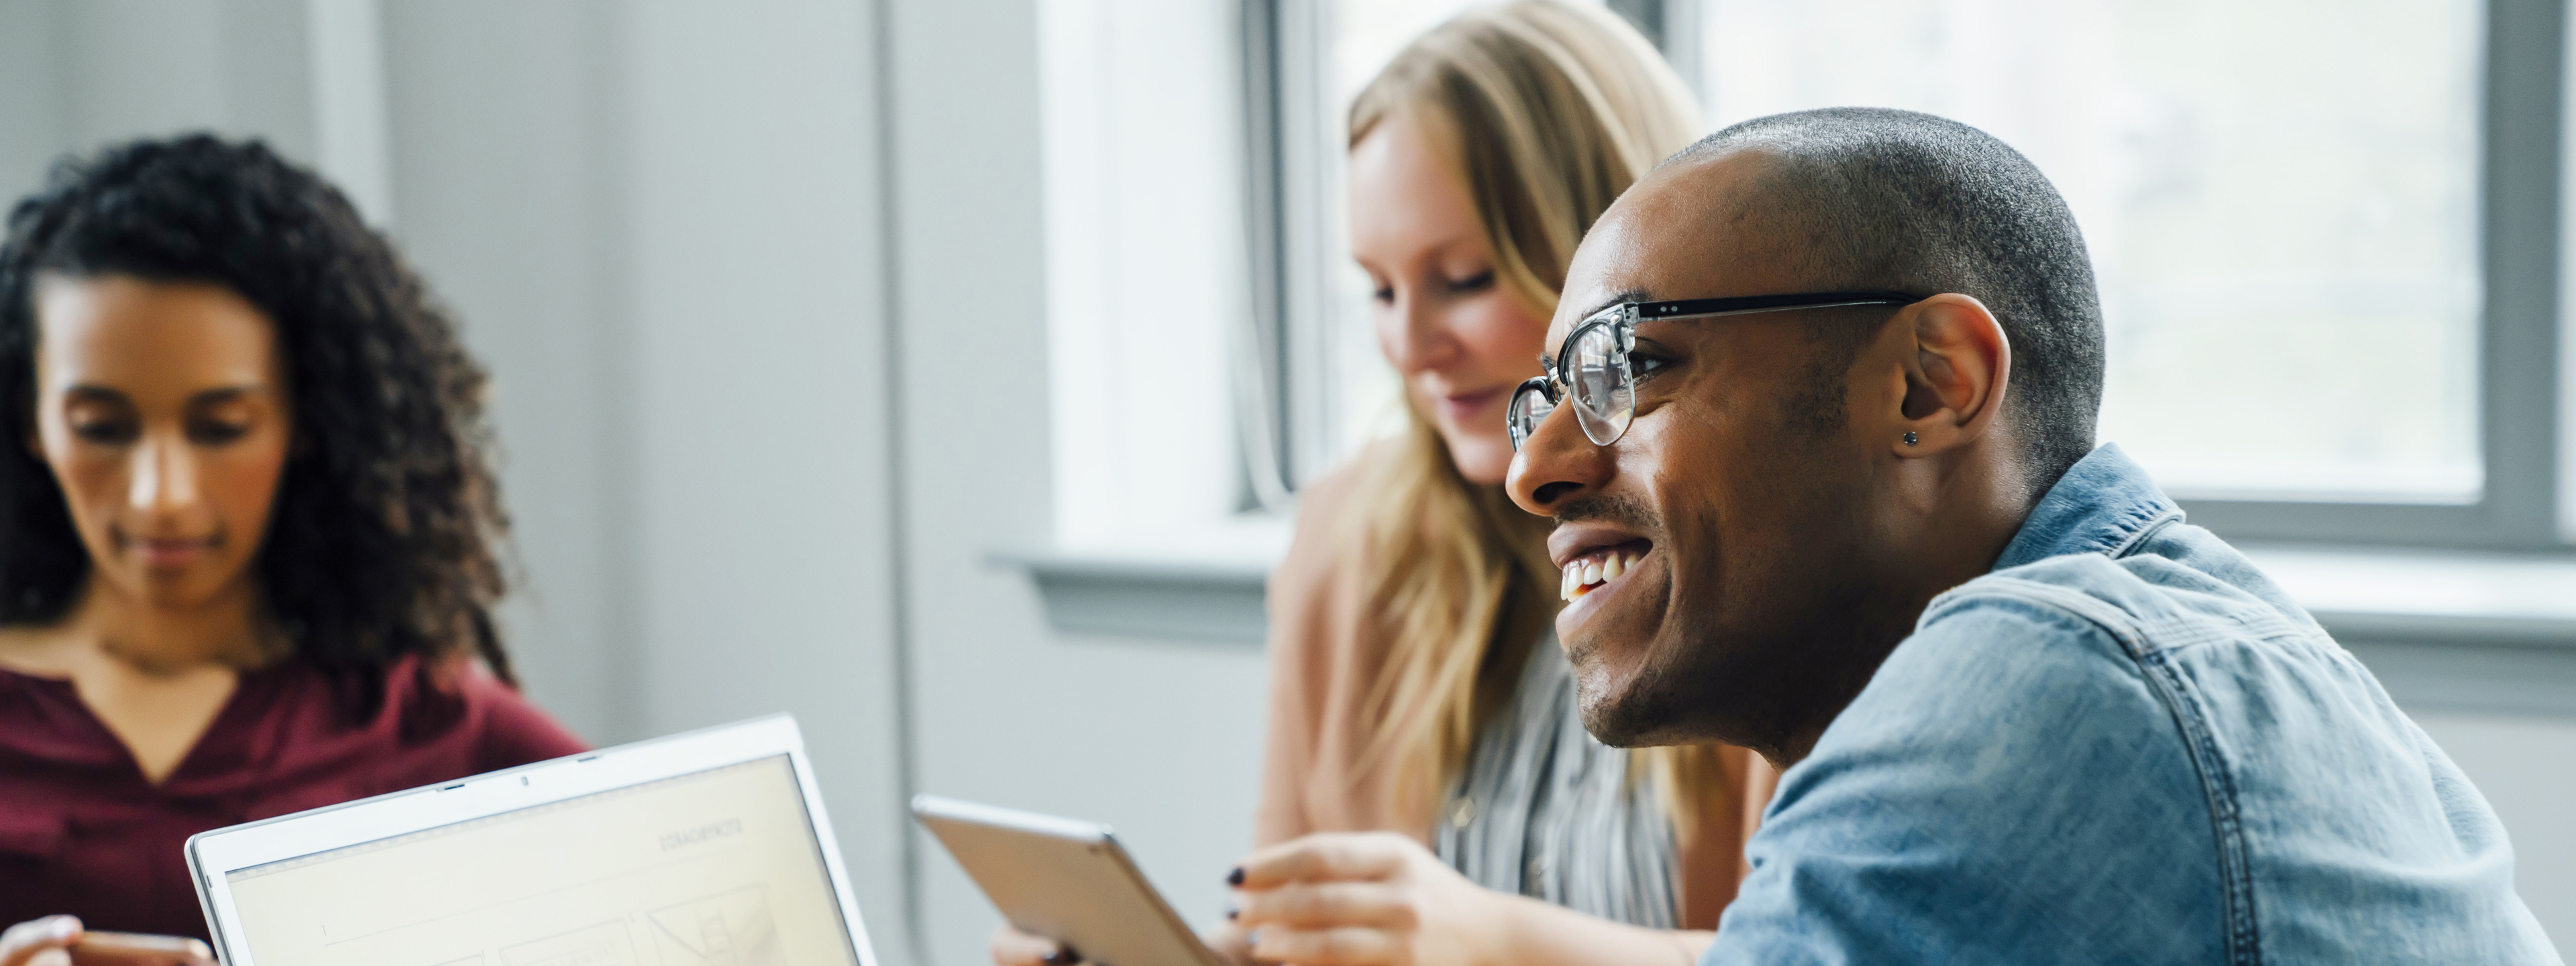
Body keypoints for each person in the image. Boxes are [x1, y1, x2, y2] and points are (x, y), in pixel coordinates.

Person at [1408, 105, 2553, 961]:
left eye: (1631, 367)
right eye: (1544, 398)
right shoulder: (2183, 639)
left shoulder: (2038, 687)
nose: (1534, 471)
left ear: (1929, 385)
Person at [996, 5, 1773, 966]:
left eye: (1464, 278)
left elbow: (1837, 952)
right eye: (1378, 288)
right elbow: (1290, 924)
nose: (1409, 347)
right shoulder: (1348, 538)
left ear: (1615, 259)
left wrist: (1498, 944)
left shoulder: (1770, 537)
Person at [0, 136, 588, 957]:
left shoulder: (432, 722)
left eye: (221, 428)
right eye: (100, 427)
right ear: (30, 419)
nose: (159, 494)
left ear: (307, 422)